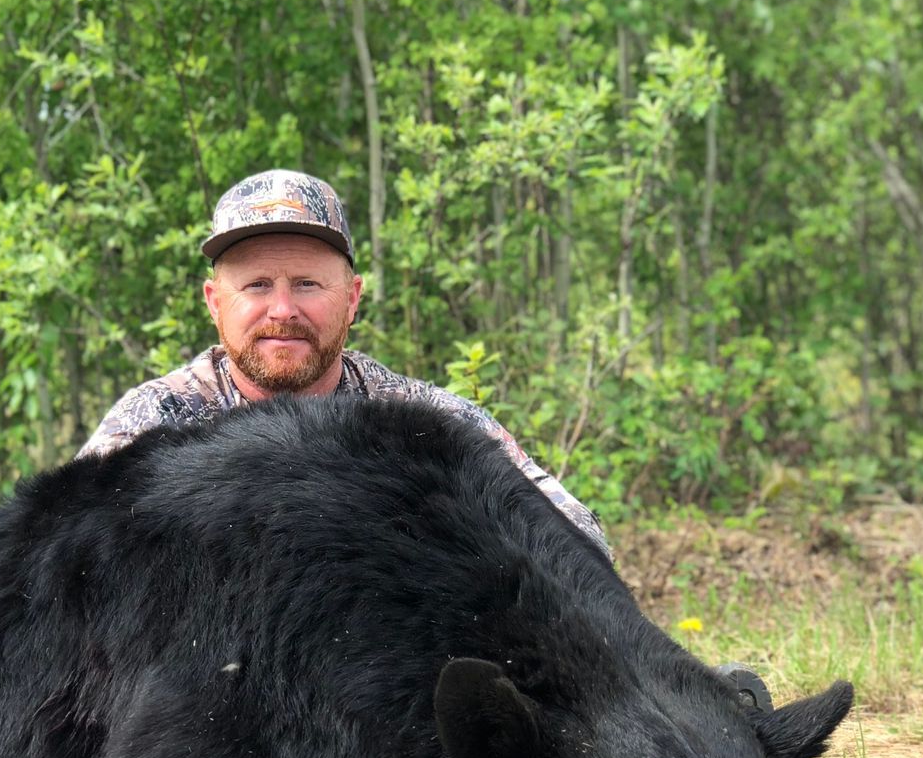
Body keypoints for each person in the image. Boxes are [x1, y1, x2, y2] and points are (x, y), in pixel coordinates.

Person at [78, 169, 611, 558]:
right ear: (216, 303)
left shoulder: (417, 422)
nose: (282, 310)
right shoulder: (159, 420)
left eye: (307, 284)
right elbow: (62, 564)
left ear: (352, 298)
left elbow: (577, 536)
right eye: (257, 285)